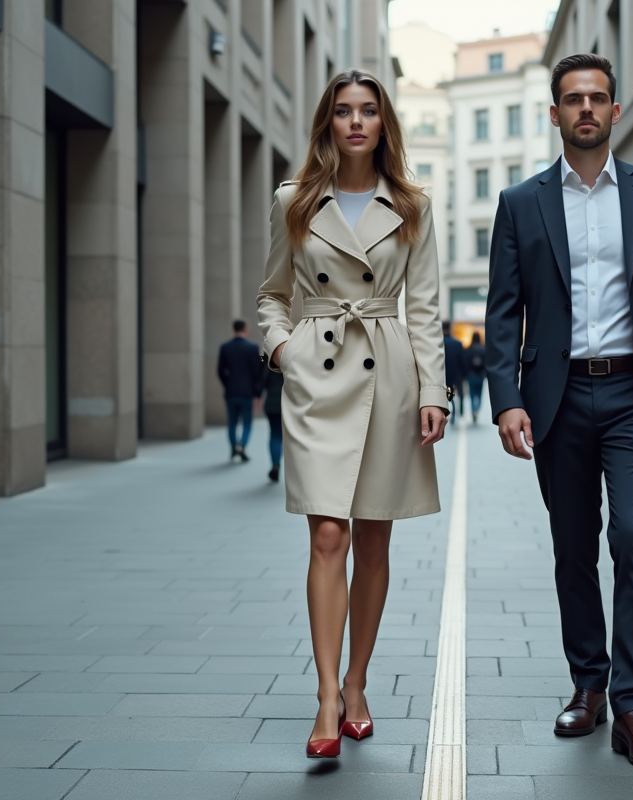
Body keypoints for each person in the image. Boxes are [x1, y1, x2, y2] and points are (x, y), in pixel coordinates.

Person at [485, 54, 633, 769]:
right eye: (572, 99)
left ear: (615, 111)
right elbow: (503, 312)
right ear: (554, 113)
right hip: (556, 398)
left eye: (598, 98)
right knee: (574, 548)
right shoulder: (520, 203)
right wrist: (507, 400)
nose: (586, 108)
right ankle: (589, 684)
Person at [256, 69, 449, 759]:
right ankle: (326, 697)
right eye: (344, 111)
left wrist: (435, 392)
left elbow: (424, 307)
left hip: (388, 376)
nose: (357, 122)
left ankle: (359, 680)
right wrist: (283, 350)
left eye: (369, 110)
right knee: (328, 536)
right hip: (317, 377)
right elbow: (272, 295)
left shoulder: (412, 204)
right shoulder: (293, 200)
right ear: (327, 122)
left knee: (373, 541)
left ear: (383, 122)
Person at [217, 319, 265, 462]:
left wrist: (227, 384)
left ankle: (234, 447)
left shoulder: (225, 347)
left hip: (231, 391)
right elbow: (257, 372)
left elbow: (220, 371)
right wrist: (258, 392)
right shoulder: (252, 347)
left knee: (232, 422)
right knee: (247, 422)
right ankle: (242, 445)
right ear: (245, 329)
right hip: (247, 391)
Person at [263, 368, 284, 482]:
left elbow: (263, 381)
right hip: (288, 403)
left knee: (275, 434)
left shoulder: (270, 363)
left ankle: (275, 464)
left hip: (271, 402)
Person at [442, 321, 466, 424]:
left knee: (449, 395)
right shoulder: (457, 343)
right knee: (460, 393)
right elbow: (462, 360)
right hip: (457, 373)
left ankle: (452, 411)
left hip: (445, 373)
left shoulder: (440, 343)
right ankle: (460, 411)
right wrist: (464, 373)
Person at [465, 332, 486, 423]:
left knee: (472, 394)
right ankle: (477, 409)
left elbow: (465, 362)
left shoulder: (469, 349)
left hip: (471, 374)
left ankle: (473, 410)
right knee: (479, 394)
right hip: (480, 374)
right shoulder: (483, 349)